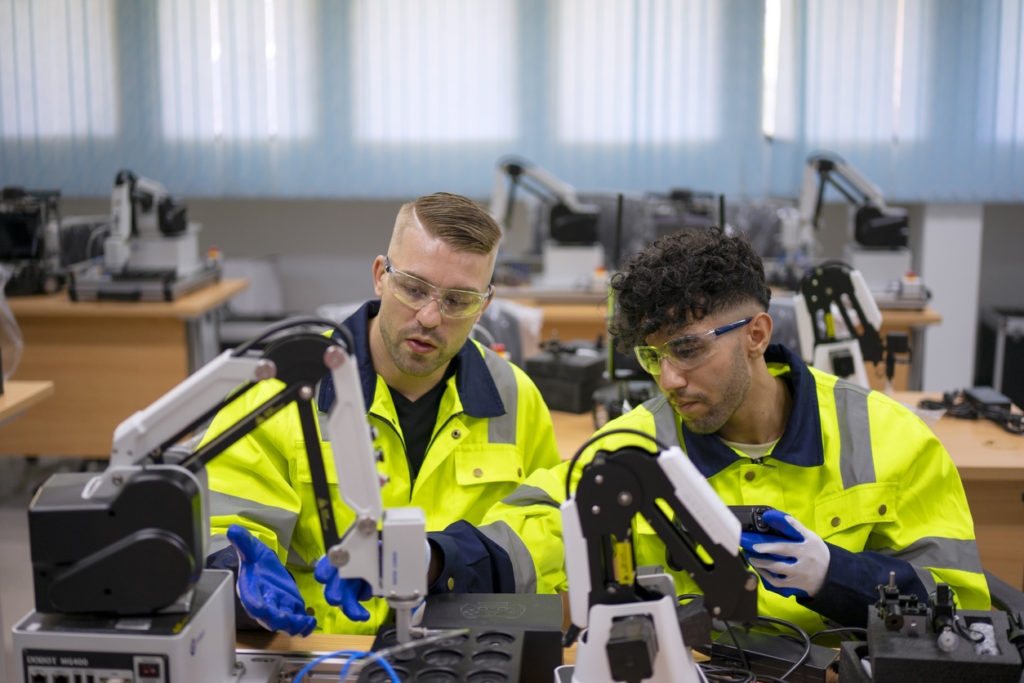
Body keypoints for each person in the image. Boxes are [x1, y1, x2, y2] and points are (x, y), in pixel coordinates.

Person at [419, 226, 990, 637]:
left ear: (757, 334)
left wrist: (834, 576)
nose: (668, 379)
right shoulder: (633, 447)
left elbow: (960, 611)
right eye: (651, 356)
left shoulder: (892, 441)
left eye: (688, 349)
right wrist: (432, 559)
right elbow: (534, 529)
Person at [200, 192, 561, 635]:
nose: (430, 316)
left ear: (484, 305)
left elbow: (547, 532)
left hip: (460, 650)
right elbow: (221, 519)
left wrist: (439, 559)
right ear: (379, 277)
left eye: (458, 300)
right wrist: (236, 578)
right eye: (413, 288)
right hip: (321, 652)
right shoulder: (283, 387)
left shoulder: (515, 398)